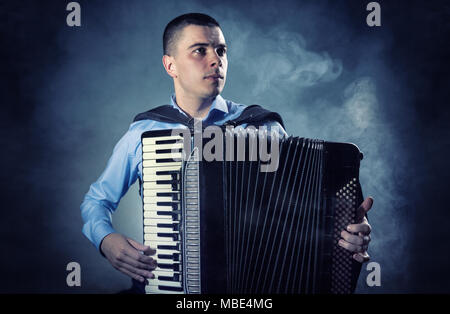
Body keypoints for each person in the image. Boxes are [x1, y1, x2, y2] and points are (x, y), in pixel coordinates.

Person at [80, 13, 373, 293]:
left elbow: (305, 214)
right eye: (200, 50)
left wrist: (347, 230)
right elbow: (97, 200)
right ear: (171, 66)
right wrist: (106, 240)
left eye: (221, 50)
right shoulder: (145, 133)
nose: (215, 60)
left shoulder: (264, 128)